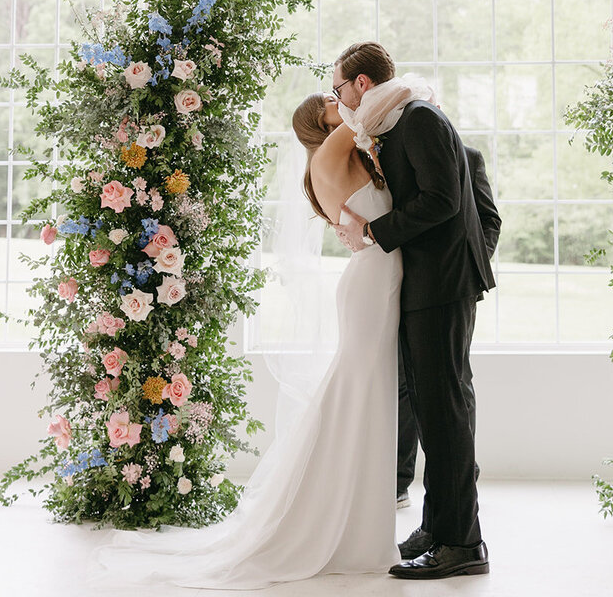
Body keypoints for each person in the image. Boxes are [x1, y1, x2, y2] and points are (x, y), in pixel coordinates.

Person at [92, 87, 411, 590]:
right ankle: (339, 524)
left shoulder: (349, 154)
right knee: (360, 392)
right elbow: (388, 100)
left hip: (379, 281)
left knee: (365, 396)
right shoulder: (329, 152)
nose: (340, 101)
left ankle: (358, 522)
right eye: (332, 102)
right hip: (371, 284)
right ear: (321, 123)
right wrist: (390, 87)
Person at [333, 42, 495, 580]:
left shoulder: (420, 117)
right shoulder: (398, 120)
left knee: (445, 412)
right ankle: (436, 527)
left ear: (360, 83)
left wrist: (372, 231)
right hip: (426, 285)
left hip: (441, 287)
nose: (340, 100)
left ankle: (462, 545)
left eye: (339, 89)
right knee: (432, 410)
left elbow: (444, 199)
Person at [395, 145, 501, 542]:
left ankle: (458, 477)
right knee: (408, 386)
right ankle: (402, 479)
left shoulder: (469, 157)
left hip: (453, 287)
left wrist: (467, 270)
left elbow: (489, 221)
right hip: (409, 288)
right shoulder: (395, 159)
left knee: (454, 386)